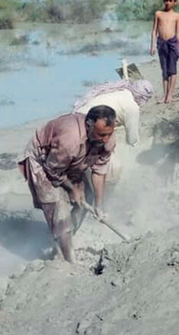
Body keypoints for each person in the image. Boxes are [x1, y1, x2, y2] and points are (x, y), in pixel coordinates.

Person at [17, 105, 116, 263]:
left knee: (87, 197)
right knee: (58, 210)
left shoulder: (106, 141)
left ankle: (64, 238)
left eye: (109, 134)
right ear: (88, 125)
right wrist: (72, 189)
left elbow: (99, 171)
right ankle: (68, 260)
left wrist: (99, 205)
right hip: (44, 161)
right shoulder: (70, 140)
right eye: (101, 135)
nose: (105, 139)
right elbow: (52, 170)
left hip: (72, 160)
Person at [73, 79, 154, 147]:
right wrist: (136, 148)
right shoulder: (132, 107)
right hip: (91, 123)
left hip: (77, 115)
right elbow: (132, 138)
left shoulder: (120, 91)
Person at [150, 0, 179, 104]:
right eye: (166, 0)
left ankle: (170, 95)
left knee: (172, 70)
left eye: (170, 1)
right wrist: (152, 46)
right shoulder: (158, 14)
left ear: (175, 2)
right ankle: (164, 95)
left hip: (173, 42)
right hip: (161, 43)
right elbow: (154, 30)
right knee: (164, 71)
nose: (167, 3)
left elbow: (178, 31)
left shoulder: (177, 16)